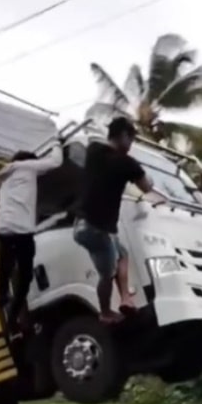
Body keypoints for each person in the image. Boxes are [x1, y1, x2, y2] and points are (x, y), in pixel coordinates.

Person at [73, 117, 161, 324]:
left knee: (122, 253)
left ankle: (126, 299)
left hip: (81, 224)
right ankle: (105, 313)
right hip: (97, 229)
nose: (131, 145)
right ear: (123, 136)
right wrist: (149, 179)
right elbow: (147, 188)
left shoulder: (93, 151)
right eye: (131, 139)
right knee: (107, 274)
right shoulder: (127, 163)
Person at [0, 145, 63, 331]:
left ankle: (2, 293)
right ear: (30, 160)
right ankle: (13, 317)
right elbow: (56, 162)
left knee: (6, 263)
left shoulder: (3, 177)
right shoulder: (28, 167)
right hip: (20, 229)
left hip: (1, 227)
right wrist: (57, 144)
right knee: (25, 276)